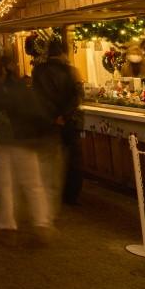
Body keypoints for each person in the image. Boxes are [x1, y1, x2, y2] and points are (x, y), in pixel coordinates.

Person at [0, 58, 55, 243]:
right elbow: (36, 112)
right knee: (33, 184)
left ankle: (8, 227)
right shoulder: (23, 88)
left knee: (5, 186)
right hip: (25, 140)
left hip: (3, 142)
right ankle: (41, 224)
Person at [33, 39, 84, 205]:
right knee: (73, 159)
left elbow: (38, 96)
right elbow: (76, 96)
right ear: (63, 53)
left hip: (46, 121)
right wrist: (64, 116)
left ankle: (50, 192)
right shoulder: (70, 71)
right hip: (67, 121)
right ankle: (71, 195)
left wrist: (51, 116)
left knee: (48, 157)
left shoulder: (38, 71)